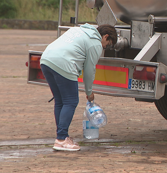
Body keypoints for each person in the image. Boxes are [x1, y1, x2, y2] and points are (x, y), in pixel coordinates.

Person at [40, 23, 117, 151]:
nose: (104, 47)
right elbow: (89, 70)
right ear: (105, 36)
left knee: (60, 101)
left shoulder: (79, 29)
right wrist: (89, 91)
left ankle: (61, 136)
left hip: (46, 59)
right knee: (71, 101)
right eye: (107, 44)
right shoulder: (95, 43)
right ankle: (61, 139)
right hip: (64, 64)